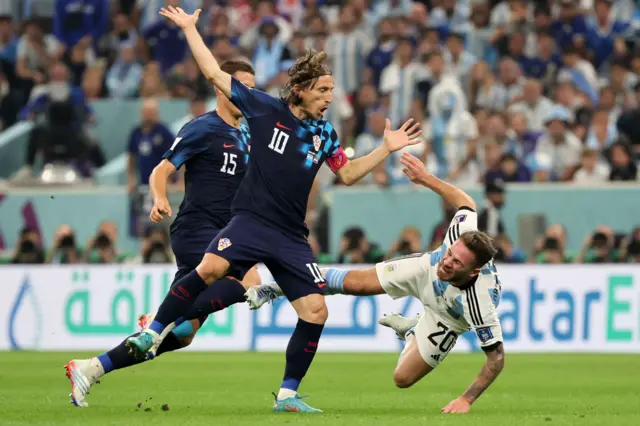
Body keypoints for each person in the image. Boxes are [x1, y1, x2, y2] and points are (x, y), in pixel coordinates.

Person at [127, 6, 422, 413]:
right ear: (300, 89)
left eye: (332, 91)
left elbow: (349, 173)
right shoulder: (265, 109)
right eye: (323, 91)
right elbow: (215, 74)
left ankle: (287, 396)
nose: (329, 98)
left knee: (316, 311)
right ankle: (154, 330)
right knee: (211, 269)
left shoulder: (324, 132)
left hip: (289, 236)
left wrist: (385, 149)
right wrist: (191, 31)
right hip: (251, 220)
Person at [65, 60, 276, 408]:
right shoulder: (202, 128)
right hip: (196, 228)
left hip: (226, 232)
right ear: (221, 86)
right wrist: (160, 196)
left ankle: (91, 368)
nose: (247, 94)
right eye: (240, 85)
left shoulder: (249, 133)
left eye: (252, 88)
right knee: (249, 281)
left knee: (182, 336)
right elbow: (161, 169)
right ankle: (169, 314)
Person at [249, 153, 505, 414]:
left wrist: (466, 400)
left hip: (448, 318)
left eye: (457, 263)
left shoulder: (479, 301)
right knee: (357, 284)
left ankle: (413, 329)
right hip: (423, 270)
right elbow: (466, 201)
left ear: (473, 273)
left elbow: (496, 359)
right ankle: (275, 288)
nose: (448, 261)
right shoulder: (460, 237)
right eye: (450, 253)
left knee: (402, 379)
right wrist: (425, 178)